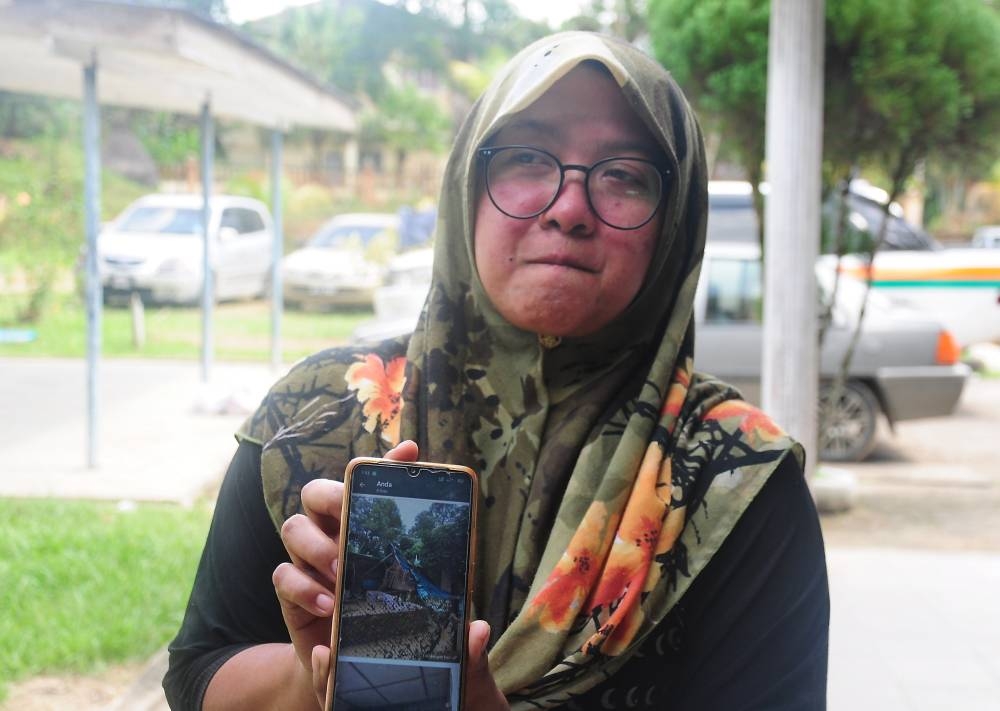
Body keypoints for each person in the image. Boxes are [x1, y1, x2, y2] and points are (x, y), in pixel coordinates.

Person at [164, 31, 829, 710]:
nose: (568, 209)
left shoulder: (737, 482)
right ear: (466, 188)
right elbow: (197, 671)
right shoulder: (314, 417)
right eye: (525, 158)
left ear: (676, 222)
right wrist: (317, 673)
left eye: (625, 174)